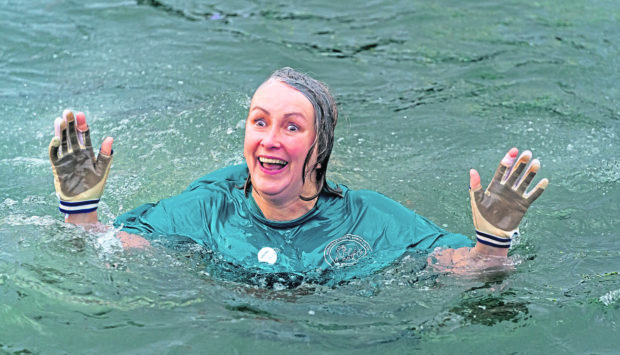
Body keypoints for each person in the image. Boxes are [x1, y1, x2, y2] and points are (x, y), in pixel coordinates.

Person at [48, 67, 548, 287]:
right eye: (259, 121)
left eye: (291, 127)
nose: (270, 139)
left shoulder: (366, 218)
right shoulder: (209, 206)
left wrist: (493, 242)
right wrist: (81, 212)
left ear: (318, 146)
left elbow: (465, 269)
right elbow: (110, 251)